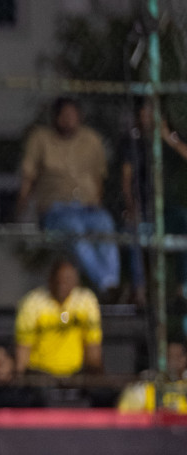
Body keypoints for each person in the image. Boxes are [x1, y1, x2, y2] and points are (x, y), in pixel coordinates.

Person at [17, 98, 119, 295]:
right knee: (75, 229)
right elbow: (28, 178)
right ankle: (106, 285)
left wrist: (97, 202)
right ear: (56, 118)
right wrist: (20, 209)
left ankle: (111, 282)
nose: (68, 120)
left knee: (105, 224)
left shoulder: (91, 140)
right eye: (64, 116)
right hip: (56, 210)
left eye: (72, 116)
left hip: (89, 208)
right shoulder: (41, 139)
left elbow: (99, 178)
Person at [120, 98, 187, 304]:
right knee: (135, 232)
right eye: (144, 113)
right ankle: (139, 291)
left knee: (185, 223)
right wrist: (132, 207)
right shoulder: (133, 142)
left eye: (153, 113)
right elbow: (126, 179)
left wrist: (168, 138)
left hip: (167, 211)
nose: (148, 117)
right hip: (144, 211)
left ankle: (183, 289)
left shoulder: (171, 141)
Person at [13, 257, 103, 379]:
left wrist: (95, 378)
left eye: (67, 279)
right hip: (39, 375)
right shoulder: (32, 302)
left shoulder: (86, 301)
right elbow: (23, 347)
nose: (62, 284)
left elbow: (93, 346)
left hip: (76, 374)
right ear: (50, 280)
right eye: (58, 279)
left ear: (76, 281)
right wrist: (20, 380)